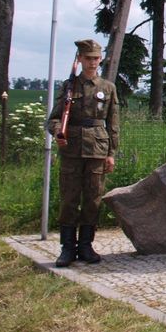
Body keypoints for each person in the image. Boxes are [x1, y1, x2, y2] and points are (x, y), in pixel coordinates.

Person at [46, 39, 119, 267]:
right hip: (72, 150)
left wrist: (111, 153)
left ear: (100, 60)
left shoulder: (107, 88)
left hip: (97, 150)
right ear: (79, 59)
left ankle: (86, 245)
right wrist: (58, 132)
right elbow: (53, 119)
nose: (92, 62)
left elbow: (113, 123)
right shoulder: (69, 87)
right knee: (69, 199)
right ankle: (68, 248)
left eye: (95, 58)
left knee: (93, 199)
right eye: (87, 58)